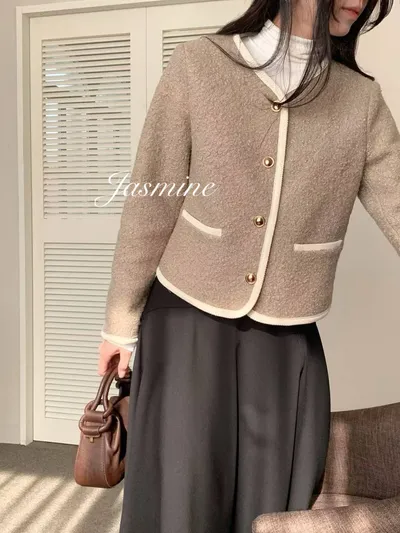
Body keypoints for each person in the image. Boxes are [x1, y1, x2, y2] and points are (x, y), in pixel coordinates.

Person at [98, 0, 400, 531]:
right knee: (179, 500)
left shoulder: (361, 102)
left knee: (269, 509)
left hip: (285, 339)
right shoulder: (199, 65)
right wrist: (119, 325)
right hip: (184, 324)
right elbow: (150, 205)